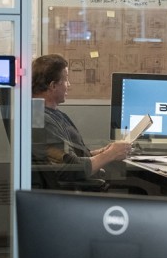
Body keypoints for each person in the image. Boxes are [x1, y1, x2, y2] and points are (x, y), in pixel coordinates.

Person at [31, 54, 131, 184]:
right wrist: (110, 154)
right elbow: (71, 169)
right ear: (53, 85)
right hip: (71, 191)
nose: (69, 85)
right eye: (66, 80)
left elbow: (71, 157)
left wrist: (101, 152)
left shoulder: (54, 115)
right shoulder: (41, 120)